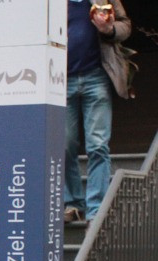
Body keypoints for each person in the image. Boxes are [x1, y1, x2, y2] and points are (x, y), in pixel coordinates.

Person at [64, 0, 132, 223]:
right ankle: (72, 203)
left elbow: (125, 26)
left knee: (98, 145)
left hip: (97, 77)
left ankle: (96, 209)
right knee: (64, 145)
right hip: (60, 80)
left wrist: (109, 29)